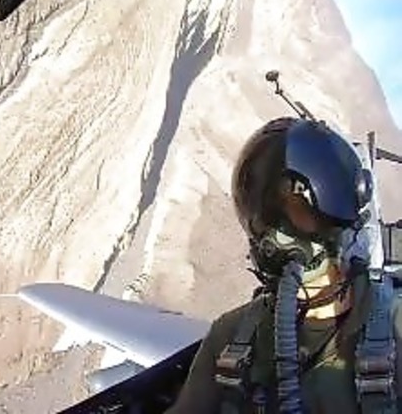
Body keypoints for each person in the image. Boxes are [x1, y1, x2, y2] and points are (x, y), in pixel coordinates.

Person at [165, 116, 401, 413]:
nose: (281, 235)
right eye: (270, 215)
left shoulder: (395, 328)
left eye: (298, 210)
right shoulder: (230, 338)